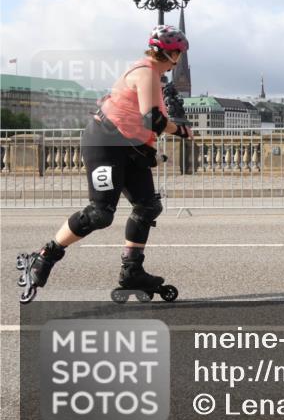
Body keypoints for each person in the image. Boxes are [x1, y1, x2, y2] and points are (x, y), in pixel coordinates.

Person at [17, 25, 193, 303]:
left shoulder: (153, 75)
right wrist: (181, 130)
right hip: (105, 144)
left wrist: (153, 146)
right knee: (100, 213)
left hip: (129, 148)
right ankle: (43, 256)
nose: (179, 59)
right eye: (180, 54)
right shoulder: (146, 72)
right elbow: (153, 121)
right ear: (174, 54)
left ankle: (132, 271)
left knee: (148, 205)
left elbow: (139, 121)